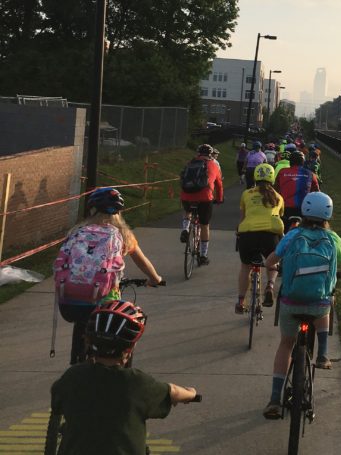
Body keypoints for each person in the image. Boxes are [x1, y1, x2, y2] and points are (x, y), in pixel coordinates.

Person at [50, 300, 198, 454]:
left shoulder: (72, 377)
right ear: (129, 348)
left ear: (89, 341)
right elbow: (172, 392)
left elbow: (57, 402)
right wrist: (190, 394)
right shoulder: (138, 384)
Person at [262, 192, 341, 419]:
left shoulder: (293, 235)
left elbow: (270, 261)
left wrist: (277, 269)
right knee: (327, 300)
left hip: (291, 302)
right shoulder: (333, 239)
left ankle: (275, 399)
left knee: (286, 344)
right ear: (328, 214)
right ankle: (323, 353)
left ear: (304, 211)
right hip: (317, 304)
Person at [55, 187, 163, 364]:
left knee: (82, 326)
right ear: (119, 212)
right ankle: (123, 370)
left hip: (70, 301)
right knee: (123, 332)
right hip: (104, 300)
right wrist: (155, 279)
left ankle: (77, 364)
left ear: (92, 210)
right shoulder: (123, 235)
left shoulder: (77, 231)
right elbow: (143, 262)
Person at [235, 163, 284, 313]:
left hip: (247, 234)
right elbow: (279, 216)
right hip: (269, 236)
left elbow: (242, 218)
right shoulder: (278, 197)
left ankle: (241, 302)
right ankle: (269, 285)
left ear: (255, 177)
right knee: (273, 262)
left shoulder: (247, 194)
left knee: (245, 267)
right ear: (272, 178)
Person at [179, 144, 224, 266]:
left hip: (187, 195)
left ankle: (185, 229)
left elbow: (182, 178)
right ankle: (203, 255)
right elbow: (219, 185)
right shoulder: (214, 165)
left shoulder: (190, 163)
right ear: (210, 154)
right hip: (205, 198)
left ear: (198, 153)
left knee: (187, 211)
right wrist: (219, 199)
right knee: (204, 225)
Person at [275, 149, 319, 232]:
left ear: (290, 162)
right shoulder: (310, 174)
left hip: (285, 209)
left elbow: (275, 191)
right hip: (304, 210)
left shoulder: (282, 172)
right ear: (303, 162)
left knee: (280, 233)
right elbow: (317, 193)